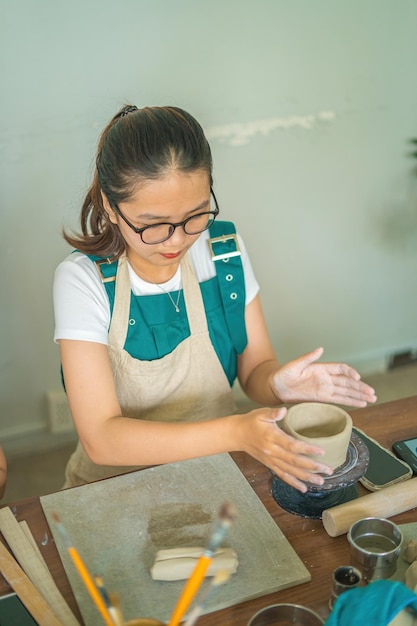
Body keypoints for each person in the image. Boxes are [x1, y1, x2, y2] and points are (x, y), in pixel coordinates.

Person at [53, 104, 376, 492]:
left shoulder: (223, 251)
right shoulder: (83, 280)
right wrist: (238, 431)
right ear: (110, 205)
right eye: (153, 226)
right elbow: (101, 438)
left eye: (196, 214)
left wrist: (278, 385)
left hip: (215, 472)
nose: (178, 241)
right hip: (114, 488)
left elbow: (254, 369)